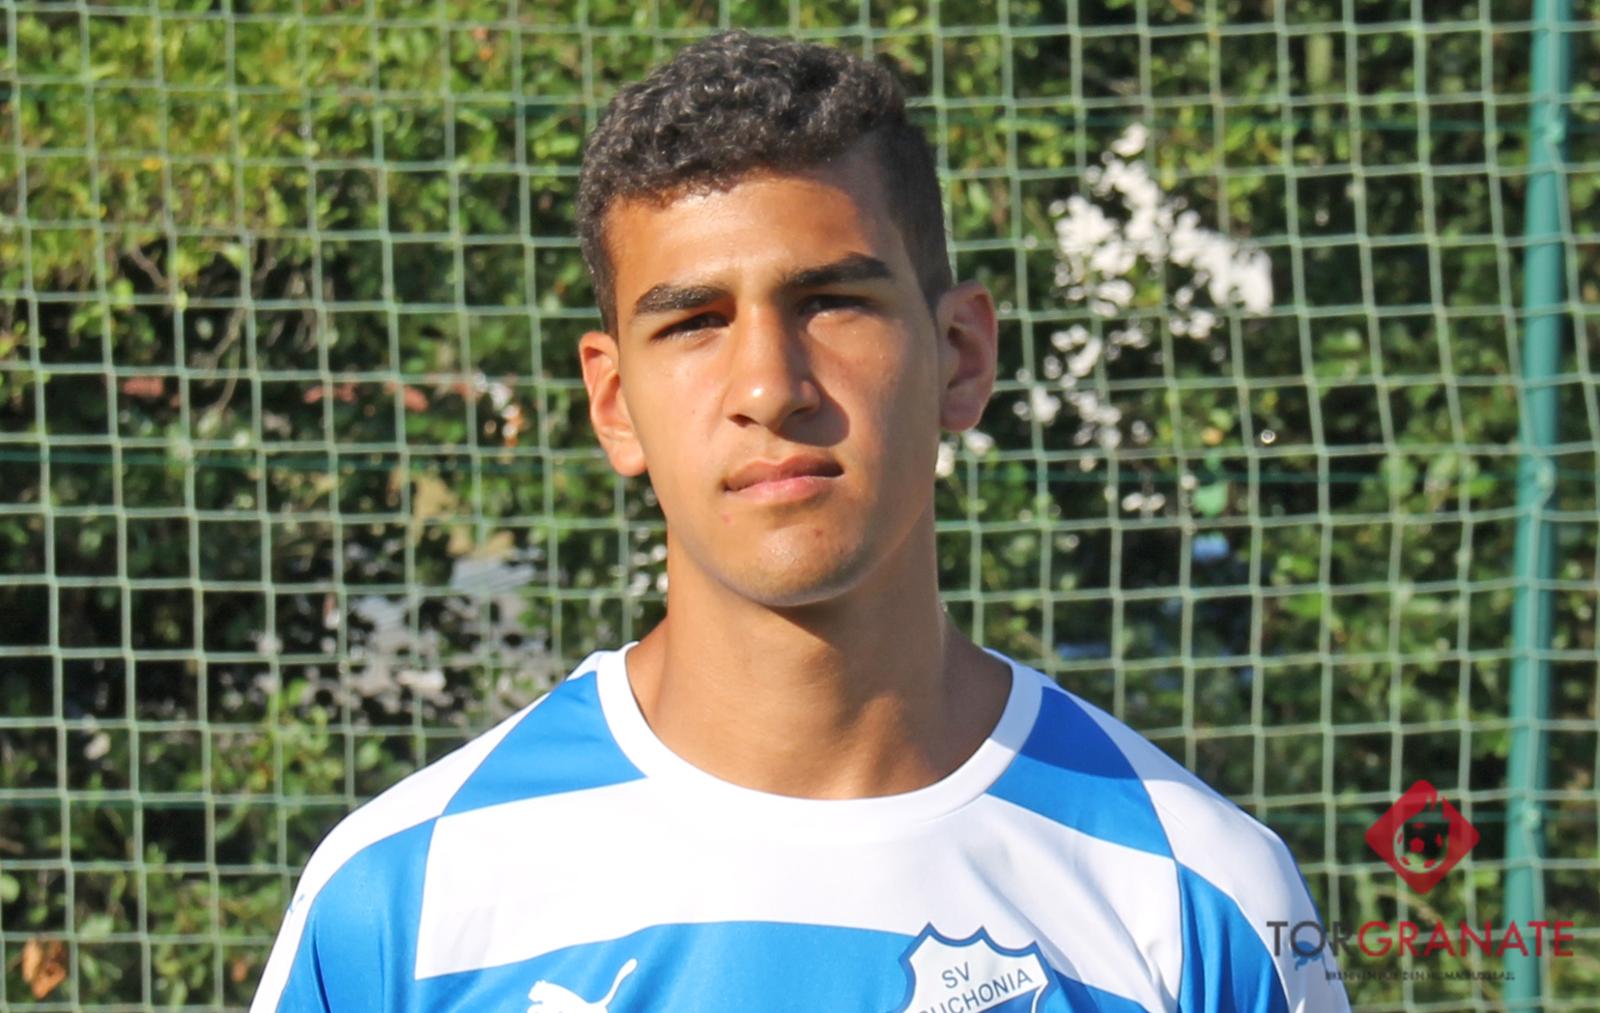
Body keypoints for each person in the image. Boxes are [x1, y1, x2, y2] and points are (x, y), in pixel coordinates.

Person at [252, 31, 1350, 1013]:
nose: (769, 388)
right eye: (694, 321)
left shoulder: (1193, 896)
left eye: (831, 302)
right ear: (615, 403)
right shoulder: (405, 896)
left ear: (961, 357)